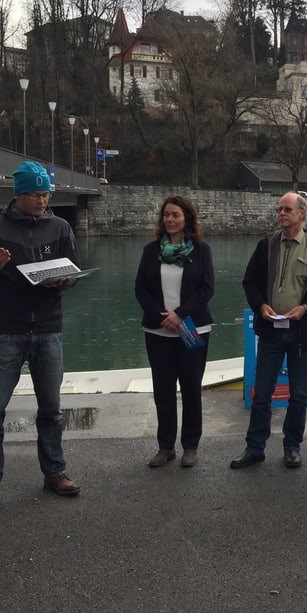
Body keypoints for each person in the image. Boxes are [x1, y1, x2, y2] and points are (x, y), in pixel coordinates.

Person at [0, 161, 82, 511]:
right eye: (34, 194)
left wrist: (65, 279)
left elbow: (74, 270)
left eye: (45, 193)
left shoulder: (60, 227)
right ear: (18, 195)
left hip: (48, 329)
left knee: (52, 410)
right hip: (6, 331)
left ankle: (55, 472)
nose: (41, 200)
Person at [231, 192, 307, 470]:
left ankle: (292, 446)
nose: (281, 214)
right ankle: (255, 448)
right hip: (271, 331)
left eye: (287, 209)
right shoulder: (266, 245)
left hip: (303, 332)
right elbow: (249, 281)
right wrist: (260, 305)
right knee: (262, 392)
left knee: (298, 394)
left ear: (302, 214)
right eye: (279, 209)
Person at [134, 195, 214, 469]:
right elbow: (140, 289)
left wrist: (180, 314)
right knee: (163, 390)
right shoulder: (151, 250)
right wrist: (163, 317)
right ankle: (165, 446)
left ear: (187, 219)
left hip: (194, 329)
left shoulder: (201, 250)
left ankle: (190, 446)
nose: (169, 219)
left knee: (192, 389)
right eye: (166, 215)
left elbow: (207, 288)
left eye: (175, 215)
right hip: (158, 332)